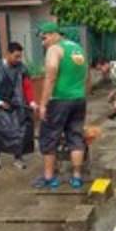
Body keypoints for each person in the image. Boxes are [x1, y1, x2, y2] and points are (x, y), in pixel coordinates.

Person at [34, 22, 89, 191]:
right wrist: (83, 95)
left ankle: (50, 178)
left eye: (44, 38)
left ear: (53, 34)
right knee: (75, 138)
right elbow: (87, 77)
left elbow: (50, 75)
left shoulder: (55, 49)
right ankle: (77, 177)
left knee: (49, 137)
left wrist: (43, 105)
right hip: (79, 99)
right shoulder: (78, 49)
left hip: (59, 100)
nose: (43, 43)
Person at [0, 41, 37, 170]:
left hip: (16, 103)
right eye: (16, 56)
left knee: (18, 131)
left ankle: (18, 158)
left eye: (20, 56)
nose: (18, 59)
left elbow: (27, 86)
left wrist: (31, 102)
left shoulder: (22, 68)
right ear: (8, 54)